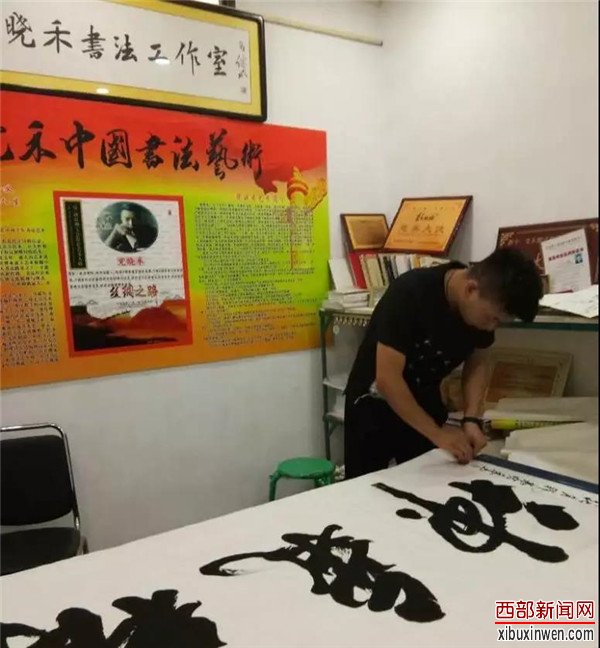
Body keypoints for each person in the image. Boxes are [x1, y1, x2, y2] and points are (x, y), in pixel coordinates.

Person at [344, 248, 543, 479]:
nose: (491, 327)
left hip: (424, 404)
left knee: (429, 485)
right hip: (373, 406)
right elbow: (387, 381)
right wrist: (438, 434)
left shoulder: (479, 309)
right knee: (364, 490)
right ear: (471, 289)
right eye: (492, 318)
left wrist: (471, 419)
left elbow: (478, 362)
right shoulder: (411, 292)